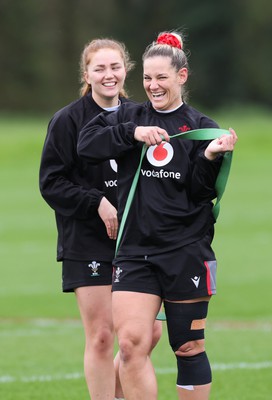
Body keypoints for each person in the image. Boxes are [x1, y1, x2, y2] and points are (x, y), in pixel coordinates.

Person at [77, 31, 238, 400]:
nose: (153, 86)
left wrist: (211, 156)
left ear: (181, 77)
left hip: (185, 252)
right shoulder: (130, 115)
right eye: (147, 78)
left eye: (161, 77)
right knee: (132, 345)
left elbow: (199, 193)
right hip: (134, 253)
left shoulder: (200, 126)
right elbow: (86, 146)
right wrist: (131, 133)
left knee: (187, 347)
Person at [39, 38, 162, 400]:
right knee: (102, 334)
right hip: (87, 240)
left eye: (115, 67)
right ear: (87, 74)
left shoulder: (140, 115)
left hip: (135, 240)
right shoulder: (67, 121)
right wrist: (97, 202)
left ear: (126, 71)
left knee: (147, 334)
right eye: (99, 69)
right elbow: (51, 183)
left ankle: (116, 392)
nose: (108, 75)